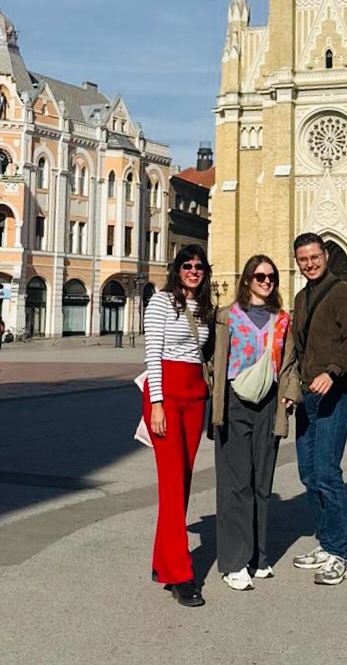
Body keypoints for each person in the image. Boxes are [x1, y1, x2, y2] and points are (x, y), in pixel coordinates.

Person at [211, 255, 299, 592]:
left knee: (262, 482)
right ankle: (234, 562)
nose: (266, 281)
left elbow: (290, 364)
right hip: (234, 402)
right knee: (236, 484)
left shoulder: (282, 319)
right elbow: (211, 359)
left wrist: (290, 393)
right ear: (247, 279)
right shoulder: (226, 317)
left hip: (269, 404)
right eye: (259, 276)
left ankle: (258, 557)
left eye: (271, 276)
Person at [288, 232, 347, 587]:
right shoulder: (301, 298)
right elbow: (298, 348)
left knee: (327, 471)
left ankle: (339, 552)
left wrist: (332, 372)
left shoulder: (343, 293)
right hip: (308, 396)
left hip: (337, 392)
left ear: (325, 255)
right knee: (308, 472)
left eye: (314, 257)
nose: (309, 263)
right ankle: (325, 540)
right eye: (303, 259)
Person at [143, 247, 213, 608]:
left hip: (194, 396)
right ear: (177, 269)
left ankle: (161, 560)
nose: (193, 271)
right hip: (166, 395)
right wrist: (156, 403)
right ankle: (179, 574)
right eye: (187, 266)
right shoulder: (160, 302)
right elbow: (152, 353)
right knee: (171, 484)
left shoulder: (203, 306)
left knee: (182, 481)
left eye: (199, 266)